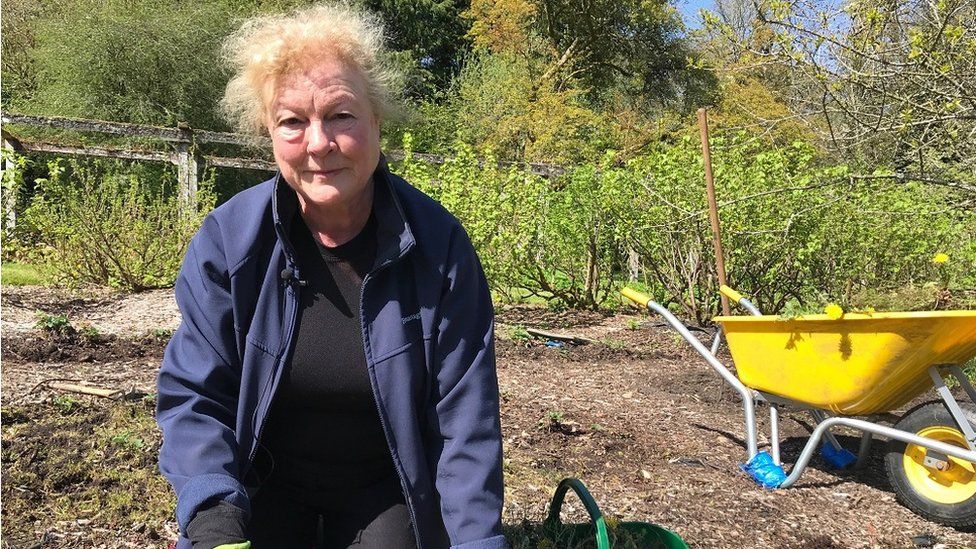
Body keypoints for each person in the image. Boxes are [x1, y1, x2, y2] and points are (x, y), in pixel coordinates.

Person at [155, 4, 507, 548]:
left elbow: (465, 416)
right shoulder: (229, 241)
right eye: (292, 121)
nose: (318, 142)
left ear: (377, 120)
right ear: (267, 133)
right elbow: (196, 391)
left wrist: (477, 541)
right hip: (262, 481)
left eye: (341, 115)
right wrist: (211, 510)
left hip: (385, 485)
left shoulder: (439, 246)